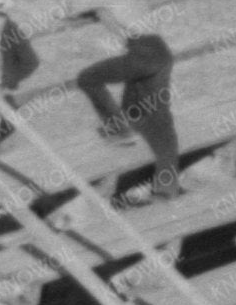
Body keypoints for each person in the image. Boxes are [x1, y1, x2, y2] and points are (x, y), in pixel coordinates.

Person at [74, 32, 187, 203]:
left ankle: (119, 130)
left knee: (87, 78)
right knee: (154, 118)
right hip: (156, 47)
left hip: (144, 49)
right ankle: (166, 191)